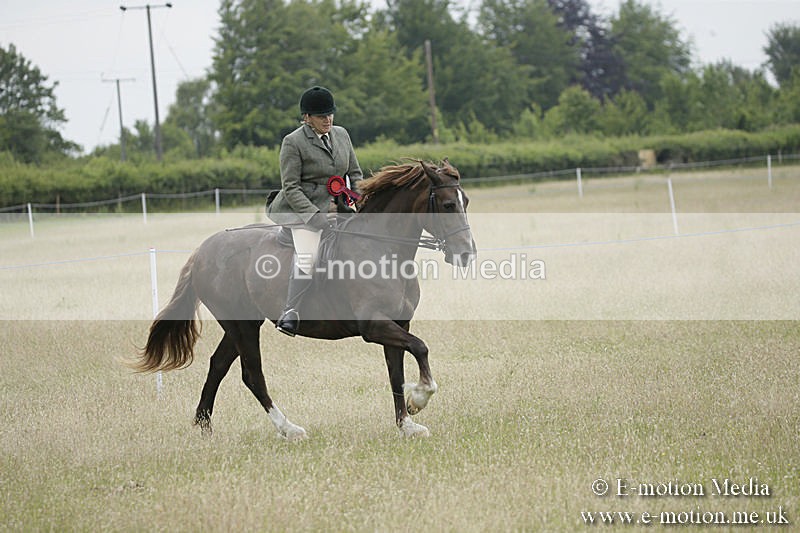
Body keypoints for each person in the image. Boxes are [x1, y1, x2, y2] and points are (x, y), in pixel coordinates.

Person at [267, 86, 363, 336]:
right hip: (302, 212)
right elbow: (290, 187)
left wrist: (360, 201)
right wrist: (315, 217)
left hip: (338, 208)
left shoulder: (342, 134)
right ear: (307, 117)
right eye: (321, 116)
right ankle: (290, 312)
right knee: (308, 256)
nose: (328, 120)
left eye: (330, 114)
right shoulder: (293, 142)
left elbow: (354, 173)